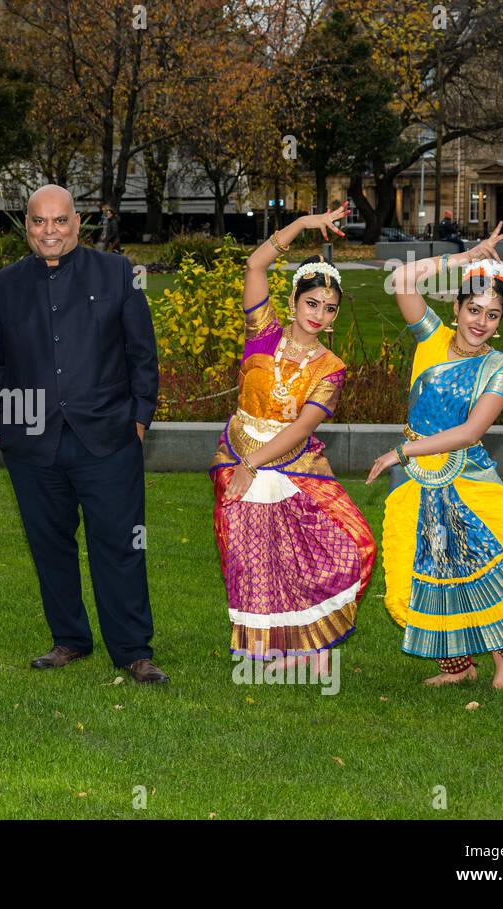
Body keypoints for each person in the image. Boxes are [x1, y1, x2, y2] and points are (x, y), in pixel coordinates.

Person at [0, 184, 167, 683]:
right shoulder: (5, 284)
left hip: (108, 439)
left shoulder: (116, 273)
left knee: (120, 544)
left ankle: (132, 650)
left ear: (77, 223)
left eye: (60, 221)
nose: (50, 231)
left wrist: (139, 420)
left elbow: (142, 354)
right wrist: (2, 428)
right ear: (27, 226)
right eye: (39, 222)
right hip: (33, 444)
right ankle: (69, 639)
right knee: (49, 544)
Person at [370, 223, 503, 694]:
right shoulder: (431, 338)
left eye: (492, 315)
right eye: (474, 309)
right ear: (455, 307)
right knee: (421, 573)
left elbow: (471, 431)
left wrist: (400, 451)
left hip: (468, 472)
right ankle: (457, 667)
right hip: (416, 478)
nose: (481, 322)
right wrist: (464, 256)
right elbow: (403, 281)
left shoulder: (500, 367)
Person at [210, 203, 376, 675]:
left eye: (329, 309)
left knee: (331, 549)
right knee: (255, 559)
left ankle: (316, 655)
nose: (319, 315)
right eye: (312, 303)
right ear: (293, 301)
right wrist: (302, 225)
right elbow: (256, 263)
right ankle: (271, 653)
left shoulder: (332, 368)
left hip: (293, 462)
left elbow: (303, 427)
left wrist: (254, 464)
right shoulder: (261, 334)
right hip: (239, 450)